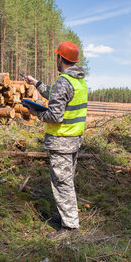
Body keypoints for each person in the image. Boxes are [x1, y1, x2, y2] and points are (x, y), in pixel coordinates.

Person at [24, 41, 87, 239]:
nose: (56, 59)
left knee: (62, 183)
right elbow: (56, 94)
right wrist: (36, 83)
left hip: (62, 140)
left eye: (57, 56)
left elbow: (55, 116)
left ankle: (69, 228)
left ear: (61, 58)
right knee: (66, 181)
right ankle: (67, 218)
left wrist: (36, 112)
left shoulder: (63, 81)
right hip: (74, 139)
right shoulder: (78, 81)